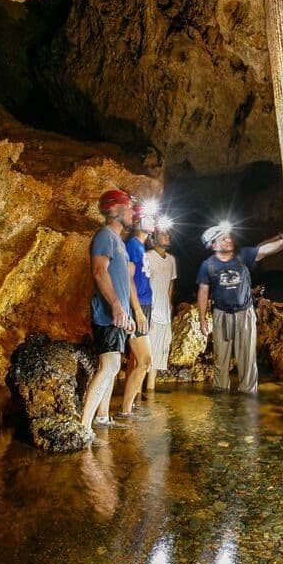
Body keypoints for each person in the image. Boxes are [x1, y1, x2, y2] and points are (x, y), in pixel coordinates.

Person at [196, 222, 283, 393]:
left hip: (244, 313)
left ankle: (248, 397)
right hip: (221, 314)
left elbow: (264, 250)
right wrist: (202, 319)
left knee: (247, 357)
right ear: (213, 245)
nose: (229, 240)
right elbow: (203, 291)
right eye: (223, 239)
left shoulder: (242, 255)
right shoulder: (208, 265)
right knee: (221, 359)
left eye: (228, 237)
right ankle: (221, 398)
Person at [81, 189, 148, 443]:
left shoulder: (118, 242)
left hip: (118, 315)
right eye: (129, 209)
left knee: (113, 366)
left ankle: (101, 417)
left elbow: (121, 280)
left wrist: (127, 314)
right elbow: (99, 273)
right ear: (116, 210)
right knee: (108, 367)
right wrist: (117, 307)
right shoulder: (104, 236)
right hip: (106, 314)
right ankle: (84, 425)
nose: (133, 214)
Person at [117, 203, 156, 418]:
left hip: (144, 306)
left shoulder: (141, 247)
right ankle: (125, 411)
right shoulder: (132, 245)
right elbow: (128, 279)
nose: (154, 222)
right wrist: (138, 311)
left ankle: (128, 406)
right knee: (145, 361)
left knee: (137, 360)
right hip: (137, 307)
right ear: (140, 222)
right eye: (150, 218)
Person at [145, 227, 177, 390]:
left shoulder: (171, 260)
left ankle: (150, 390)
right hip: (150, 311)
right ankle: (136, 395)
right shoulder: (148, 257)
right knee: (144, 356)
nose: (167, 236)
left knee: (159, 354)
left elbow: (170, 283)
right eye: (163, 234)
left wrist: (169, 305)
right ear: (154, 238)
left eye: (168, 234)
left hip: (164, 313)